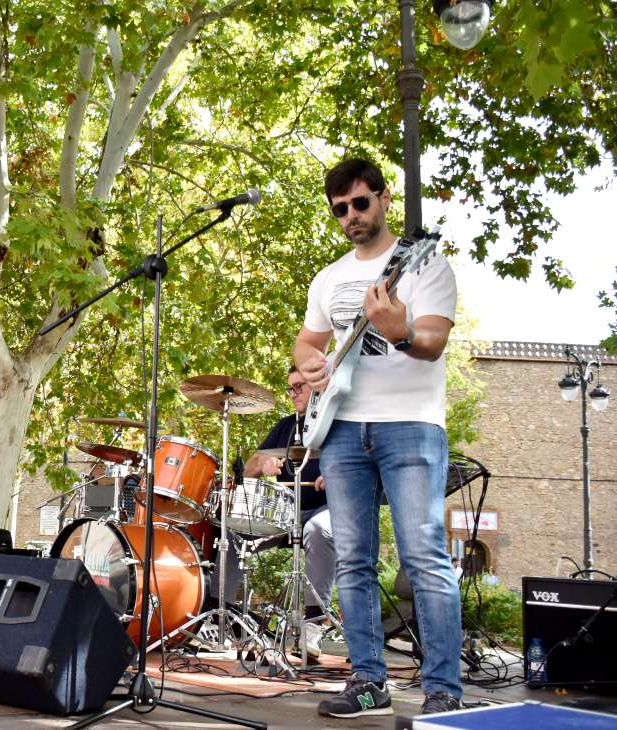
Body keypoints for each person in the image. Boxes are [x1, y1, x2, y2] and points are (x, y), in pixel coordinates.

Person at [295, 158, 460, 718]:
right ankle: (369, 682)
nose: (350, 216)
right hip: (341, 427)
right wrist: (310, 368)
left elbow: (433, 341)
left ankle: (443, 690)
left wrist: (403, 331)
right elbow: (307, 343)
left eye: (360, 203)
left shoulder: (422, 263)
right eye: (340, 209)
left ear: (385, 199)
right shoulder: (329, 277)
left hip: (411, 423)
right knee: (353, 559)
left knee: (424, 555)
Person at [216, 365, 335, 659]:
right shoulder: (285, 427)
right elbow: (250, 468)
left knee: (318, 530)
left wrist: (336, 473)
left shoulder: (335, 424)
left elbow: (356, 464)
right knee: (229, 529)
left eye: (299, 387)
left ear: (318, 389)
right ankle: (218, 614)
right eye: (290, 388)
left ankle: (313, 622)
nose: (293, 393)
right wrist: (264, 465)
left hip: (327, 508)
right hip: (285, 512)